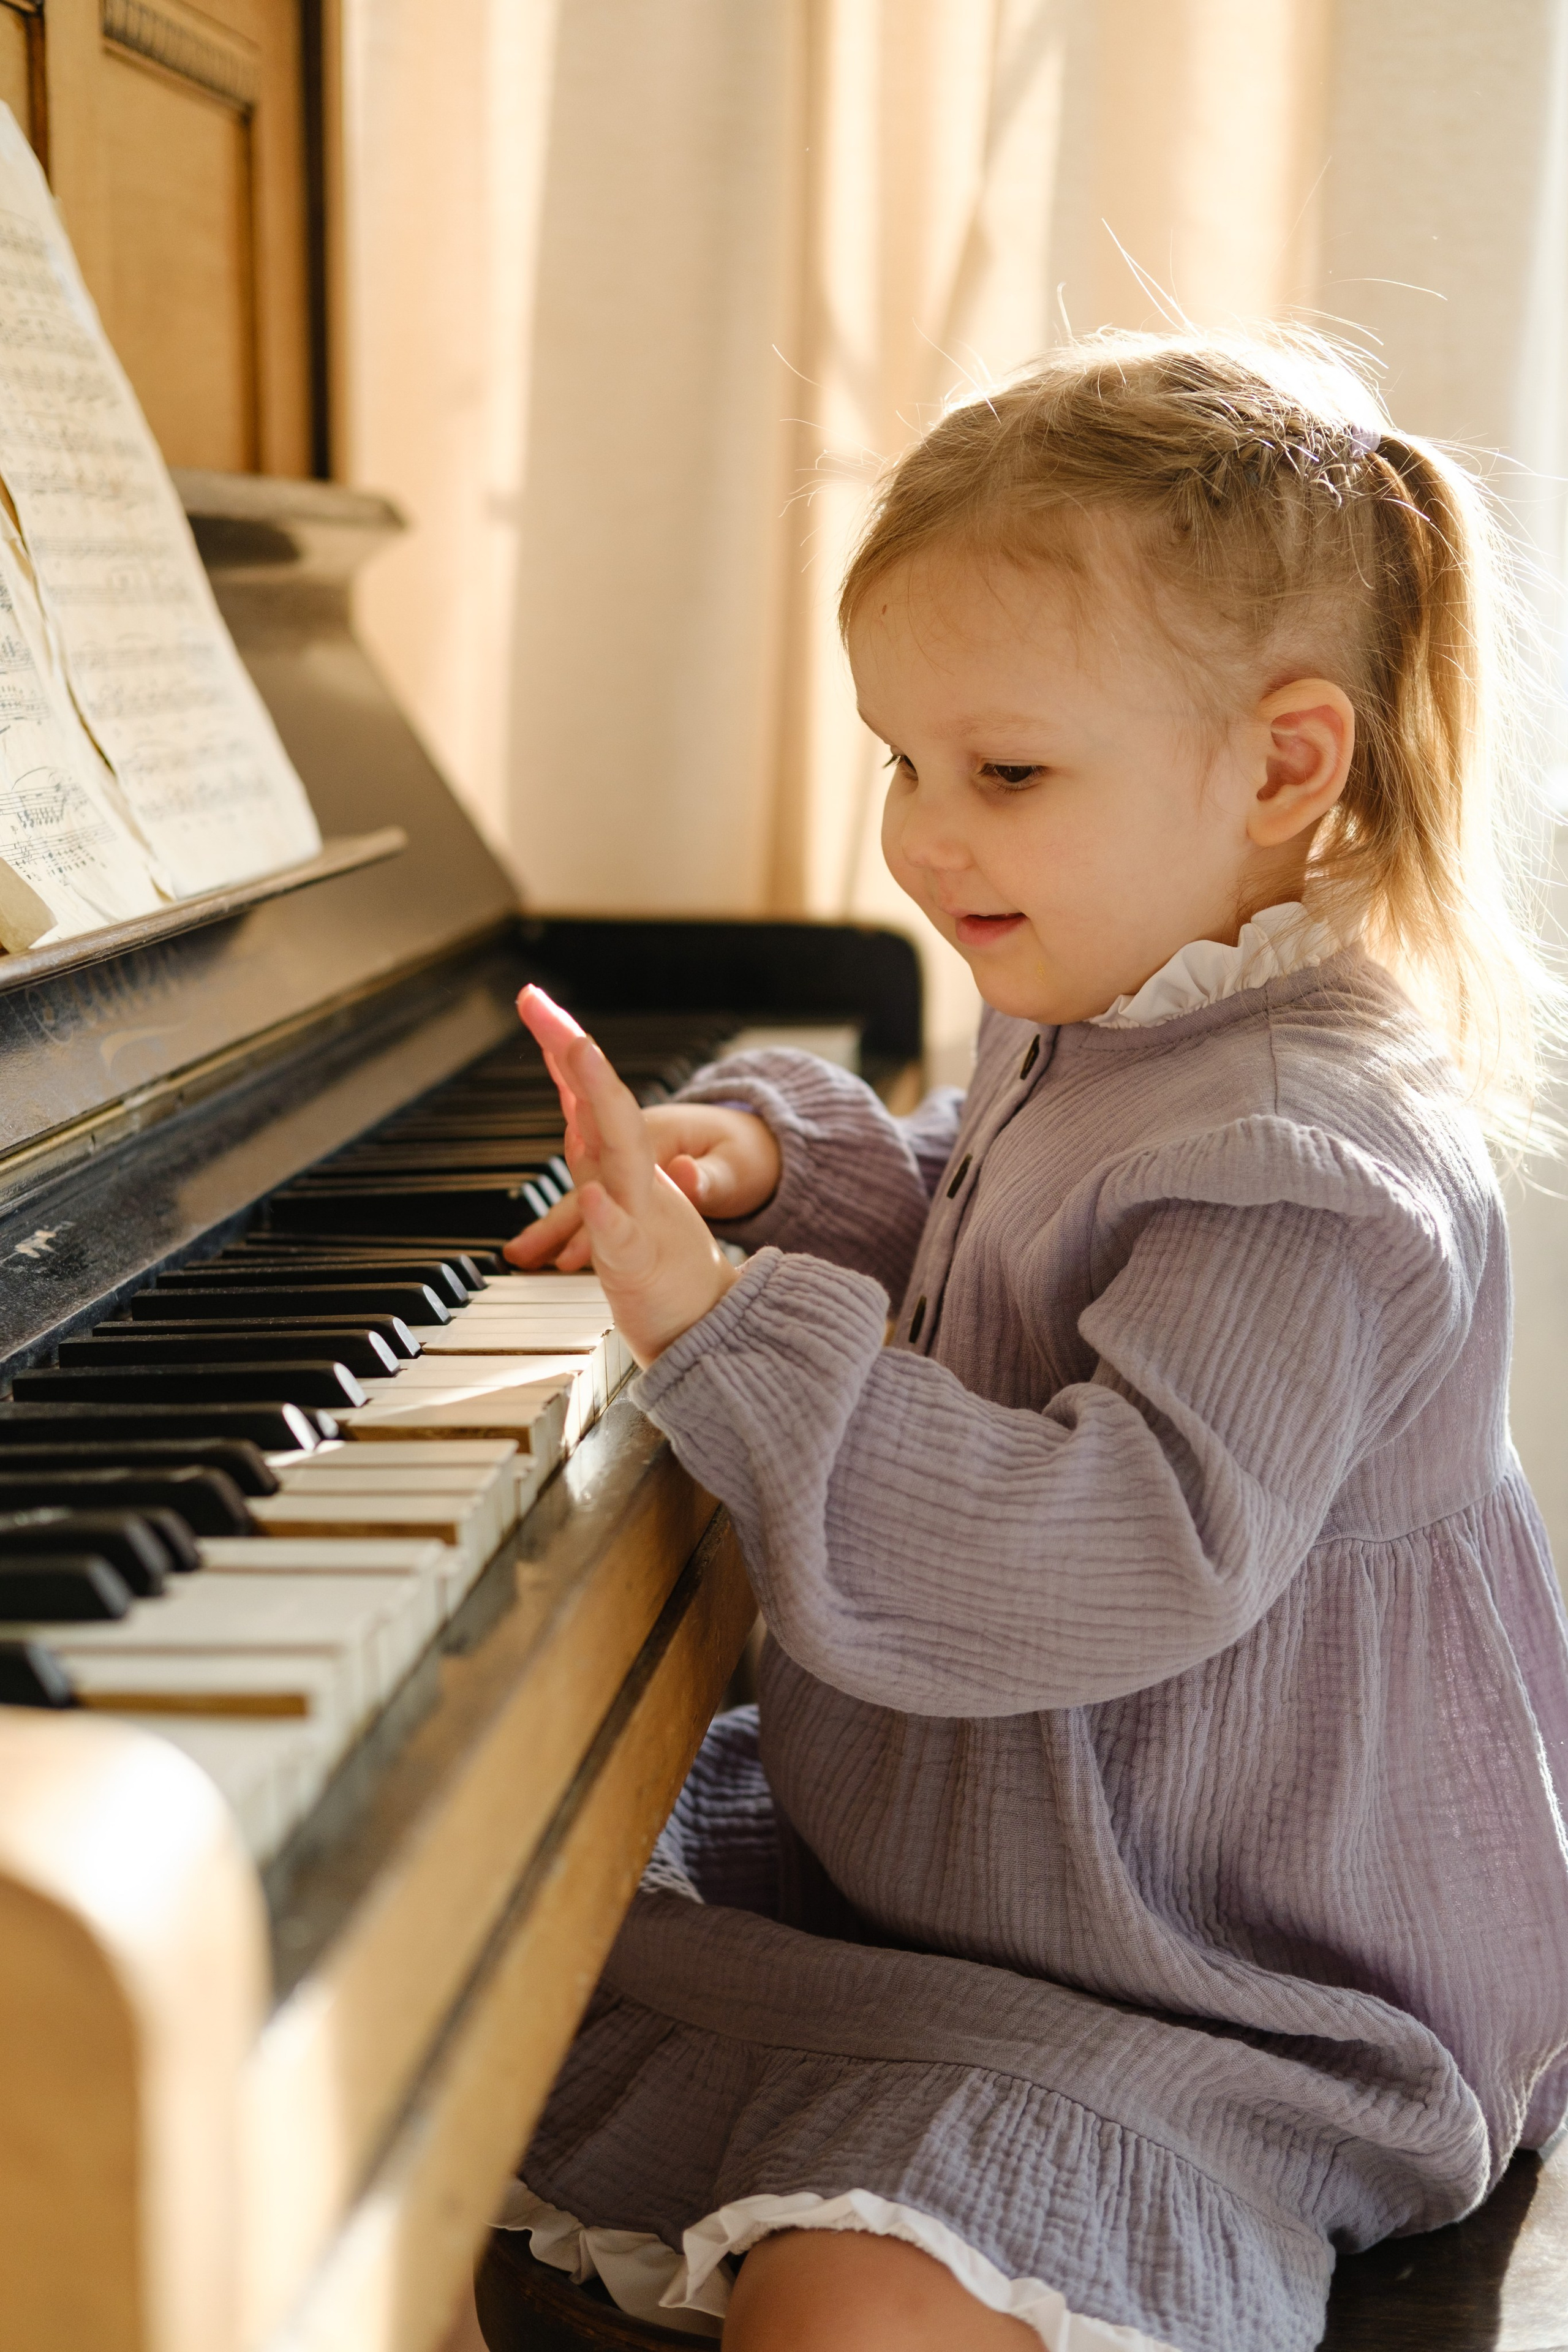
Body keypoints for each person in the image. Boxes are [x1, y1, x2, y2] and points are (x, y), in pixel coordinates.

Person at [488, 331, 1568, 2352]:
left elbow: (1117, 1534)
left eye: (1003, 773)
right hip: (1026, 1863)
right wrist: (767, 1170)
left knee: (854, 2304)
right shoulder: (1125, 981)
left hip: (1237, 1964)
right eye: (901, 758)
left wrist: (727, 1334)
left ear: (1283, 764)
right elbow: (992, 1233)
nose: (923, 836)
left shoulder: (1307, 1158)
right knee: (440, 1993)